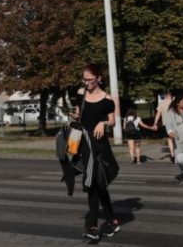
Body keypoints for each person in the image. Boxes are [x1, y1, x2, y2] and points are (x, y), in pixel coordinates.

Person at [70, 63, 121, 242]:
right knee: (95, 184)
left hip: (100, 147)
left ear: (99, 79)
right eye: (84, 79)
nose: (86, 83)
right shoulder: (80, 93)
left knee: (95, 184)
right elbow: (79, 114)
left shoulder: (107, 100)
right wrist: (75, 116)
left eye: (90, 80)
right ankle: (105, 222)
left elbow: (113, 122)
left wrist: (103, 123)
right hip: (84, 144)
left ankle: (96, 224)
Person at [153, 91, 175, 162]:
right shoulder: (175, 103)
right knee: (177, 138)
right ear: (171, 96)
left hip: (166, 124)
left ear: (165, 96)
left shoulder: (162, 104)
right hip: (176, 124)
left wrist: (155, 124)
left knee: (170, 139)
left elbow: (158, 114)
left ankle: (172, 154)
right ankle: (178, 153)